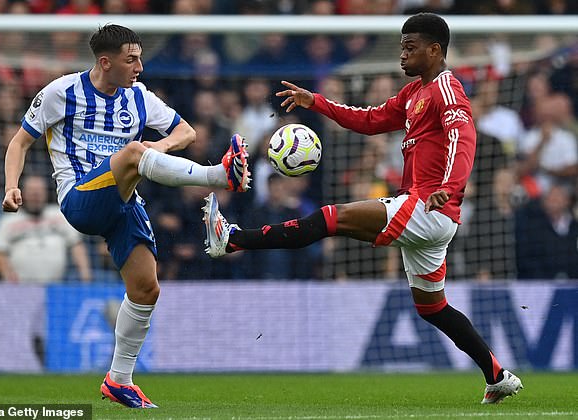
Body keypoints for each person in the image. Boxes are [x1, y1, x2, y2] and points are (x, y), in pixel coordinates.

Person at [203, 13, 522, 404]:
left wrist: (448, 187)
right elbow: (370, 121)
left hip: (426, 204)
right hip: (431, 214)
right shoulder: (413, 93)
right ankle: (497, 375)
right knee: (433, 307)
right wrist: (315, 101)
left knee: (329, 218)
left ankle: (233, 239)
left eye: (410, 47)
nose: (402, 55)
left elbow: (462, 138)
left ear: (435, 49)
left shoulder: (447, 89)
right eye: (401, 46)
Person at [2, 24, 250, 408]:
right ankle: (220, 176)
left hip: (122, 201)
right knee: (133, 153)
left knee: (146, 289)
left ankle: (119, 380)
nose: (139, 66)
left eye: (139, 57)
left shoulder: (138, 97)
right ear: (106, 61)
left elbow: (185, 132)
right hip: (79, 199)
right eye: (131, 59)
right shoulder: (60, 92)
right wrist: (11, 185)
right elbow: (20, 142)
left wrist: (161, 145)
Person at [0, 175, 92, 284]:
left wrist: (85, 276)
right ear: (22, 193)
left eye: (39, 191)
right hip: (19, 289)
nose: (36, 195)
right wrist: (9, 278)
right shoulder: (9, 220)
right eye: (32, 191)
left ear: (46, 193)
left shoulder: (60, 214)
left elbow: (76, 244)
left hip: (56, 287)